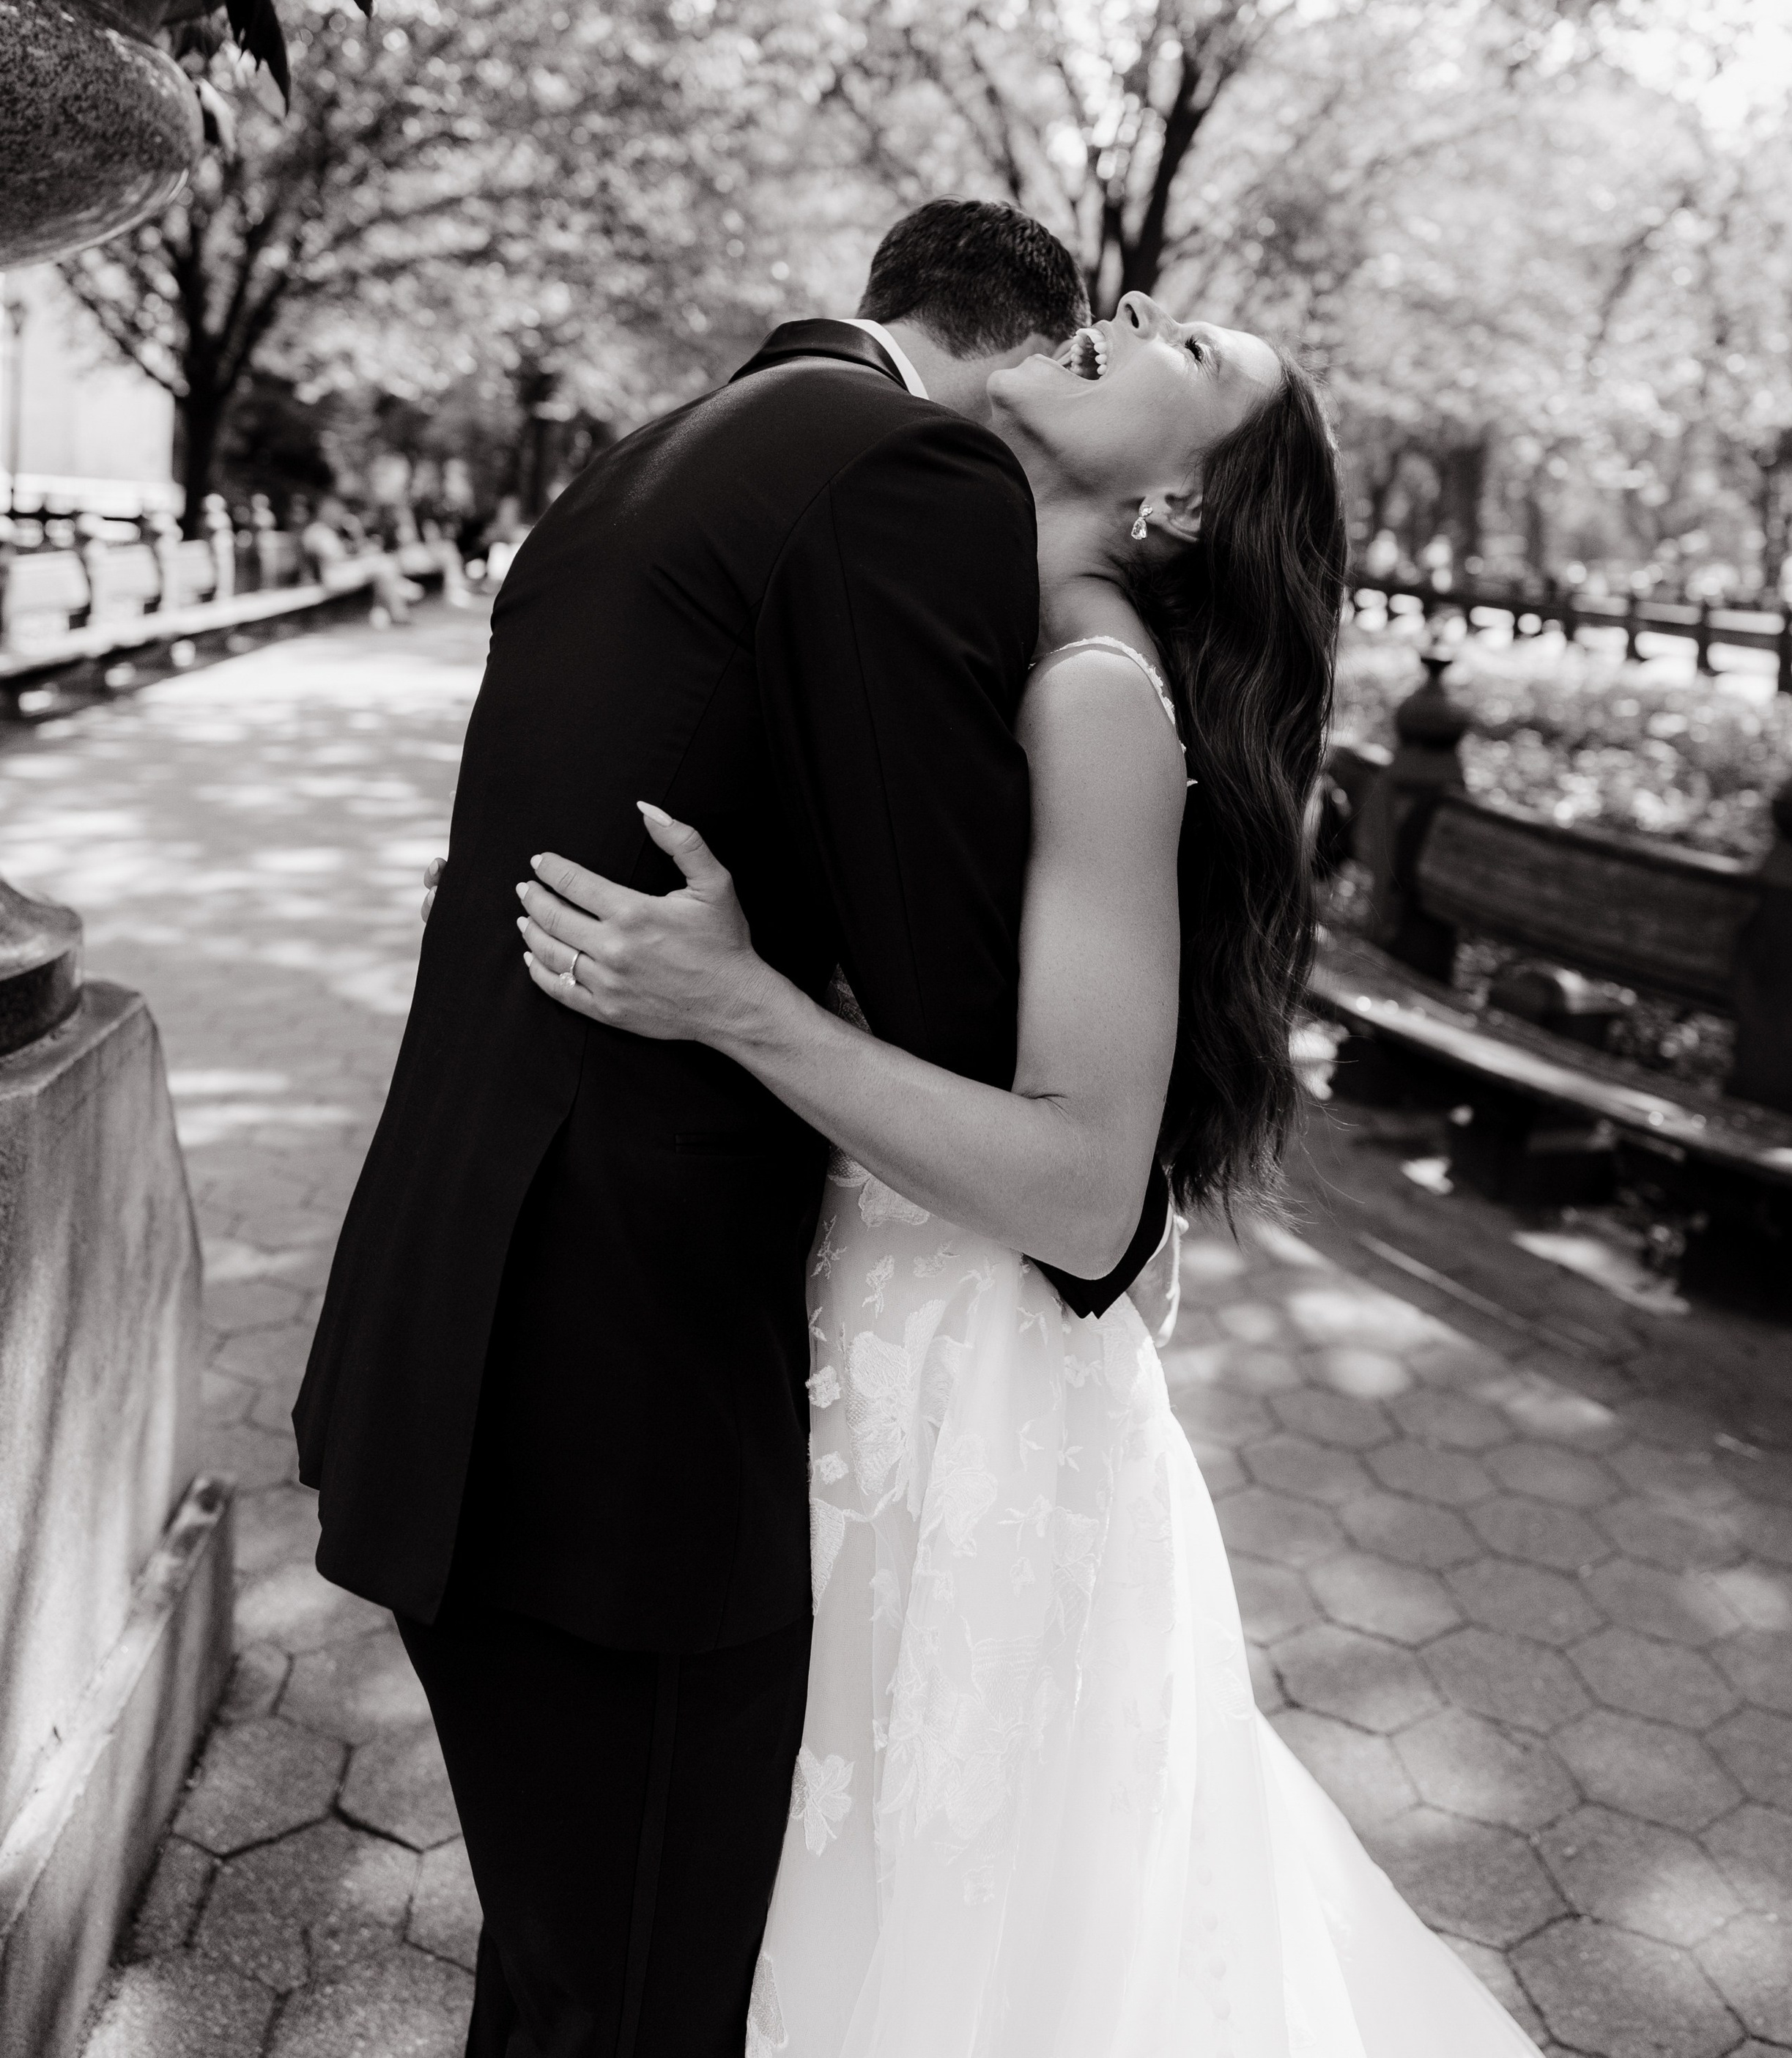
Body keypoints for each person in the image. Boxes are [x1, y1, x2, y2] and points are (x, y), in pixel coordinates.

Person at [508, 294, 1541, 2057]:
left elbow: (1079, 1189)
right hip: (842, 1342)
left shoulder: (1092, 694)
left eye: (1192, 352)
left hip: (966, 1394)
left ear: (1187, 507)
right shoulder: (962, 622)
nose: (1129, 307)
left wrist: (738, 1005)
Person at [293, 200, 1126, 2058]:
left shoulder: (649, 458)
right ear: (1000, 362)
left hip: (463, 1346)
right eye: (1078, 365)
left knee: (566, 1976)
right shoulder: (911, 469)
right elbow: (959, 993)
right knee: (651, 1998)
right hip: (627, 1430)